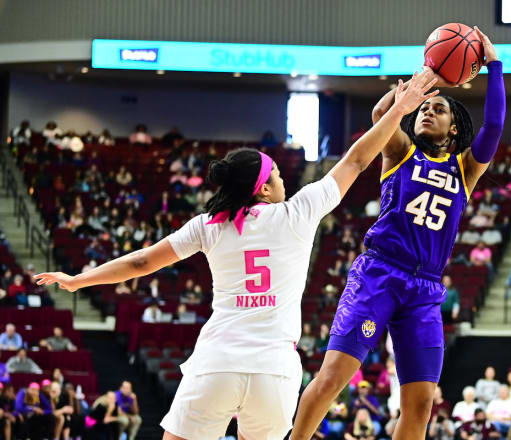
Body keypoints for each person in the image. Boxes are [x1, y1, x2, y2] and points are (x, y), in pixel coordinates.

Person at [35, 66, 439, 440]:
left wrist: (79, 279)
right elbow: (357, 159)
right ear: (264, 188)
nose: (284, 181)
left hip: (218, 362)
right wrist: (401, 108)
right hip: (276, 372)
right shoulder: (298, 212)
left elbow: (141, 262)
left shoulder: (209, 225)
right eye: (278, 176)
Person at [291, 28, 504, 440]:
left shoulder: (465, 169)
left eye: (438, 110)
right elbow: (380, 117)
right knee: (334, 375)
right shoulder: (400, 150)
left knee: (422, 402)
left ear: (455, 130)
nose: (428, 112)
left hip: (424, 289)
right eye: (425, 108)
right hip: (379, 273)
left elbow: (494, 125)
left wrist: (494, 66)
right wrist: (424, 77)